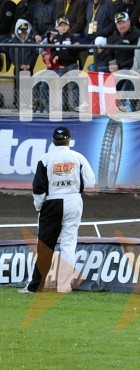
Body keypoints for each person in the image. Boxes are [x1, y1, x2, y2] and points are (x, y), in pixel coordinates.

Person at [21, 126, 96, 294]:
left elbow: (38, 188)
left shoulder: (46, 159)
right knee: (69, 244)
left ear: (53, 140)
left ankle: (36, 286)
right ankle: (64, 286)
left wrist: (39, 207)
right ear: (69, 140)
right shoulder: (78, 157)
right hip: (74, 200)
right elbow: (91, 181)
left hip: (52, 202)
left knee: (46, 246)